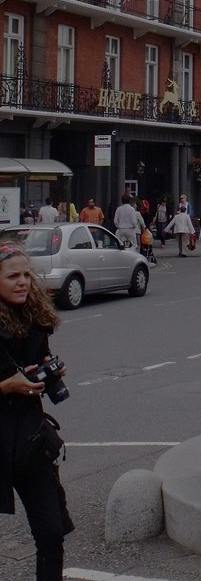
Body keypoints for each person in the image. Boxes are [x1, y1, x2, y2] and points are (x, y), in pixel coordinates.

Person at [0, 244, 74, 580]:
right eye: (12, 276)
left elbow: (36, 367)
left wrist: (48, 371)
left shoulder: (35, 321)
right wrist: (4, 387)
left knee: (50, 531)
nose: (23, 282)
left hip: (30, 440)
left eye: (26, 275)